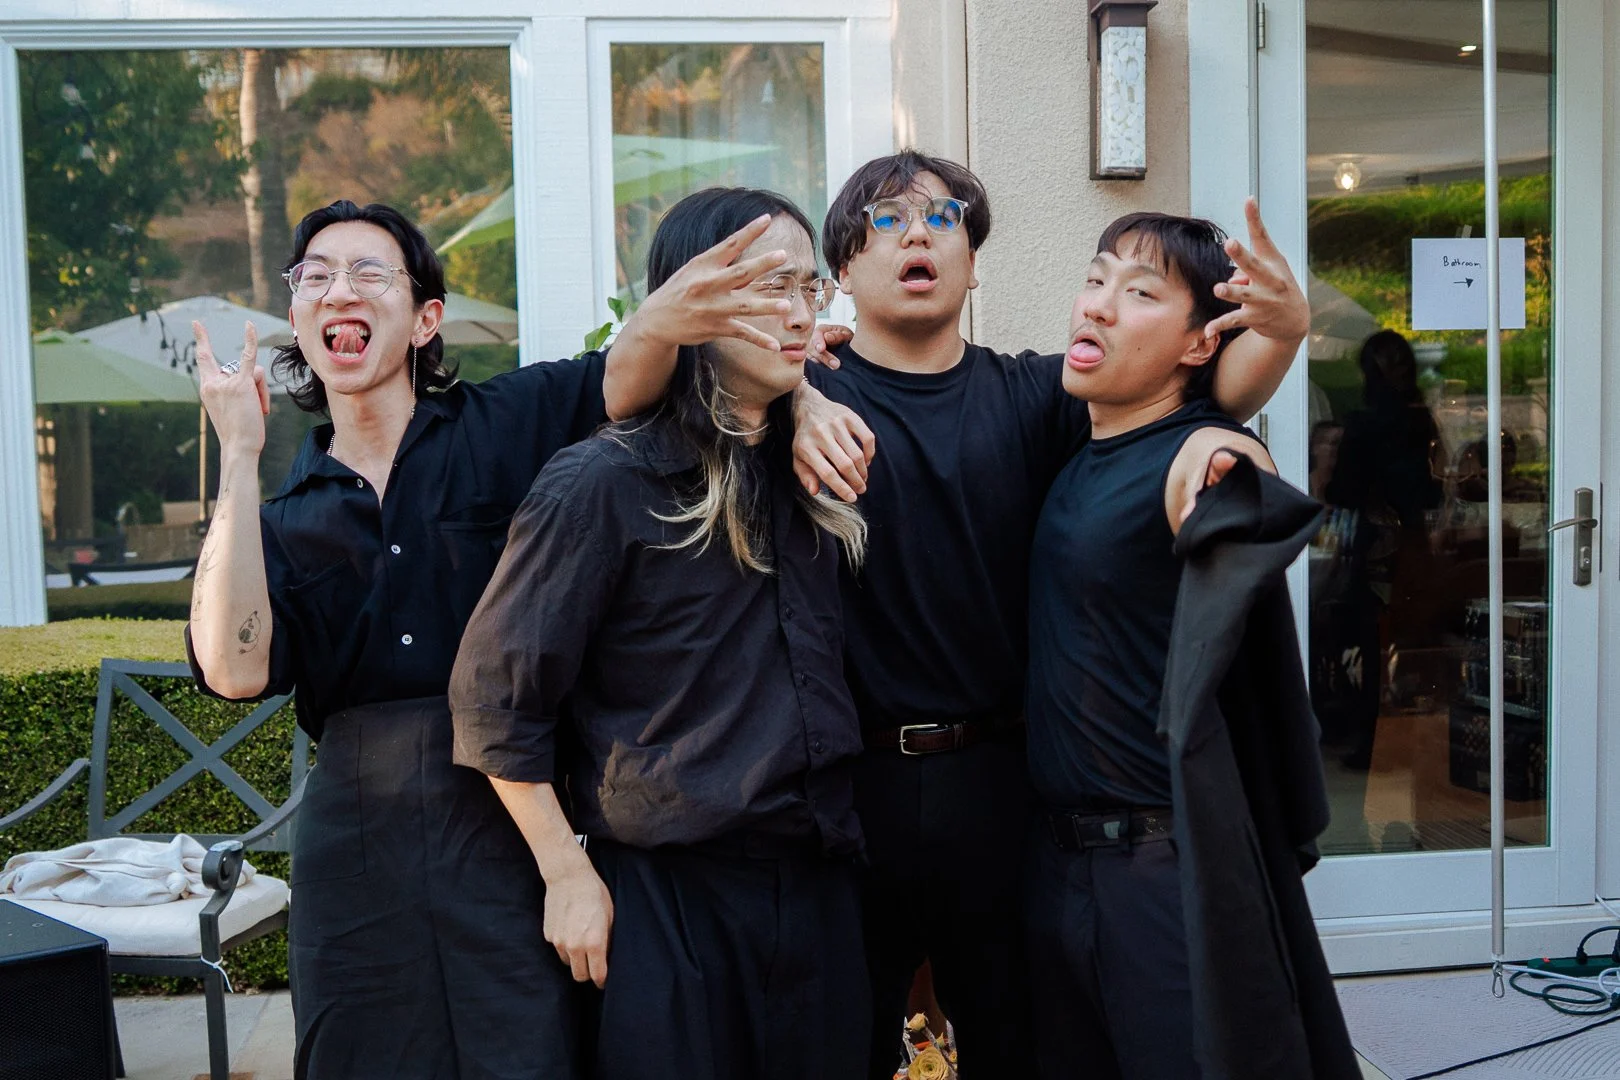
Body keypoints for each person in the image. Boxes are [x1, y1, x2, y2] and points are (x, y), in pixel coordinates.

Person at [184, 197, 814, 1078]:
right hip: (355, 835)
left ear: (424, 318)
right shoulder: (283, 514)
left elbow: (639, 367)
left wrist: (809, 396)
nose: (339, 291)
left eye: (369, 273)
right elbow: (233, 668)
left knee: (530, 1049)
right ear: (298, 315)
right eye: (316, 277)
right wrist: (240, 456)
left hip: (509, 819)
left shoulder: (506, 421)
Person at [788, 152, 1310, 1077]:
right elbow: (669, 399)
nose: (918, 232)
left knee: (1022, 1043)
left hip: (1005, 788)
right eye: (886, 219)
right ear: (842, 272)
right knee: (838, 1045)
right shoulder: (804, 402)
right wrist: (791, 394)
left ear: (975, 262)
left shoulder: (1037, 397)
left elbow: (1191, 399)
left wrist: (1237, 418)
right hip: (849, 788)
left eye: (945, 218)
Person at [448, 187, 872, 1080]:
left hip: (819, 889)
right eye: (767, 290)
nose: (799, 315)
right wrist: (566, 876)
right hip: (668, 902)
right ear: (692, 301)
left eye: (808, 289)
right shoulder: (603, 482)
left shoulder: (815, 467)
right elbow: (493, 699)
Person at [1023, 211, 1355, 1079]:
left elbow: (1234, 477)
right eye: (1095, 280)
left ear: (1198, 345)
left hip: (1157, 873)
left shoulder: (1191, 451)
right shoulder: (1075, 447)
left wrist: (1232, 465)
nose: (1096, 307)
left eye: (1138, 295)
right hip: (1058, 870)